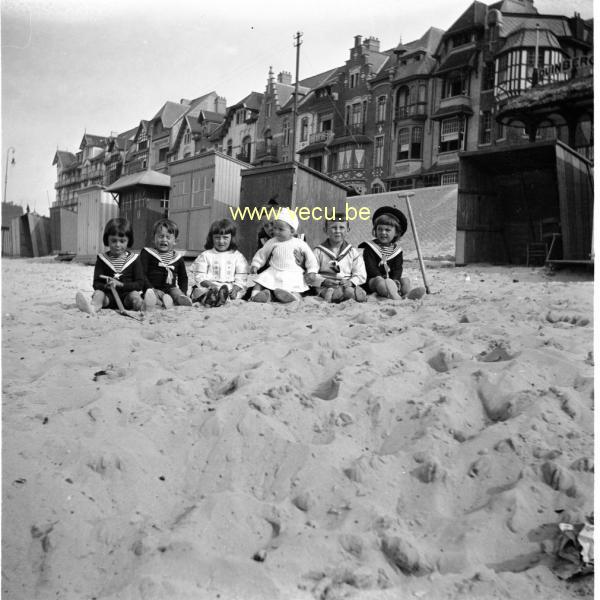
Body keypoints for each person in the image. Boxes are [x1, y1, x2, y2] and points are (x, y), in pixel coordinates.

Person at [75, 217, 144, 314]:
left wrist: (121, 285)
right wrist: (106, 286)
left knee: (135, 295)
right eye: (113, 241)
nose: (117, 245)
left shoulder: (135, 259)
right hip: (108, 297)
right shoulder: (102, 259)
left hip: (127, 297)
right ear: (107, 240)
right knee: (98, 294)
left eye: (122, 241)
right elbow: (96, 283)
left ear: (129, 241)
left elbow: (140, 284)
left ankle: (142, 307)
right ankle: (92, 308)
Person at [249, 207, 318, 303]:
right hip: (274, 270)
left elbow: (311, 258)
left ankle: (294, 298)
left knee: (295, 286)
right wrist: (255, 265)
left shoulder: (299, 242)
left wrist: (312, 270)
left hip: (293, 271)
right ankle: (255, 296)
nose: (273, 230)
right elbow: (262, 254)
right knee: (260, 281)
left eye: (273, 224)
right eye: (266, 226)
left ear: (292, 231)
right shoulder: (270, 241)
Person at [359, 206, 425, 300]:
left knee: (405, 280)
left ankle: (406, 295)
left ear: (396, 233)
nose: (383, 232)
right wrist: (385, 280)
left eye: (387, 230)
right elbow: (371, 268)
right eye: (380, 229)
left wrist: (395, 279)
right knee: (379, 281)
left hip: (391, 281)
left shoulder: (397, 251)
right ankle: (392, 294)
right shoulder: (370, 248)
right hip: (372, 281)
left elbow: (398, 268)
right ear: (375, 230)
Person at [189, 218, 249, 307]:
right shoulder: (206, 255)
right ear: (211, 238)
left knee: (234, 294)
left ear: (232, 238)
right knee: (198, 291)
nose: (221, 241)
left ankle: (218, 299)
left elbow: (241, 276)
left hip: (228, 287)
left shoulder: (237, 256)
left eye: (225, 238)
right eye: (217, 237)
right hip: (208, 287)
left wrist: (236, 289)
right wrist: (210, 285)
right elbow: (199, 276)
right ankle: (210, 298)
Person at [311, 212, 367, 303]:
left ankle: (352, 294)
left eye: (341, 227)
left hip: (346, 284)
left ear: (348, 230)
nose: (337, 231)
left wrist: (351, 282)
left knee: (348, 291)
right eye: (333, 227)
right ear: (325, 230)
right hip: (325, 285)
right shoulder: (318, 251)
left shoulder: (352, 252)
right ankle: (331, 295)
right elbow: (311, 273)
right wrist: (324, 281)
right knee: (325, 291)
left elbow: (360, 273)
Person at [140, 218, 192, 309]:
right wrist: (149, 287)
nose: (164, 240)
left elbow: (183, 277)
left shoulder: (177, 258)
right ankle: (161, 302)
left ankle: (180, 299)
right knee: (151, 295)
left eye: (168, 237)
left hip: (170, 288)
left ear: (175, 241)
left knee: (176, 292)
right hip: (152, 287)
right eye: (161, 236)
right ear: (153, 238)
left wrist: (183, 291)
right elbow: (142, 274)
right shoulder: (147, 253)